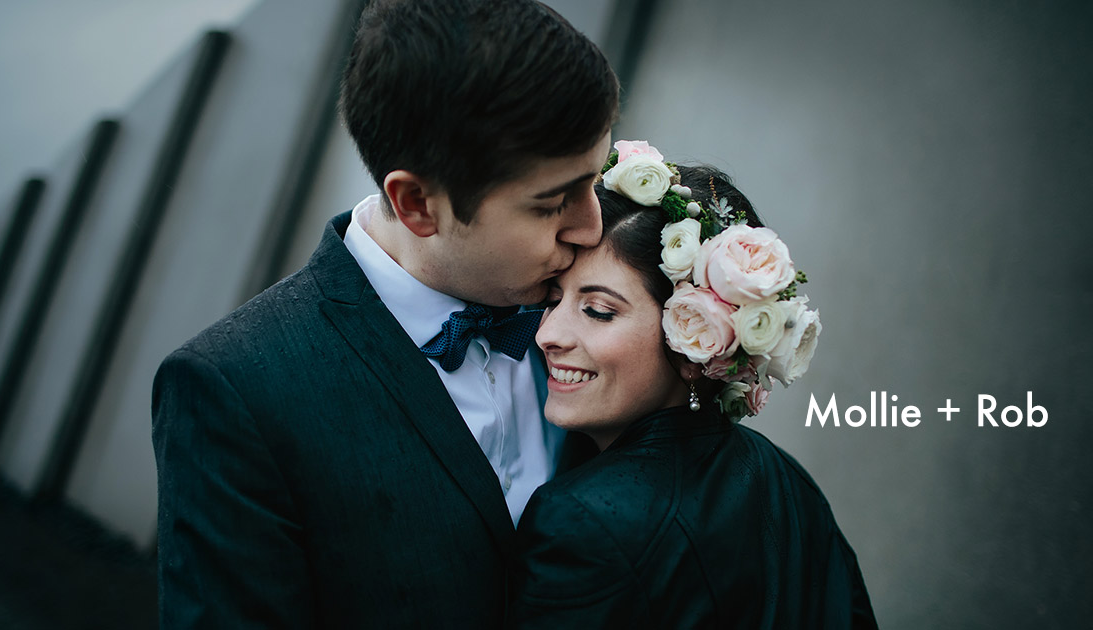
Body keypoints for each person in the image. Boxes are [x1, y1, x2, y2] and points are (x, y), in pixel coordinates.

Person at [151, 1, 617, 627]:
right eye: (552, 203)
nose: (591, 228)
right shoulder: (233, 390)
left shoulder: (593, 301)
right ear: (417, 203)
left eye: (596, 179)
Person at [506, 141, 878, 628]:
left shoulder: (582, 521)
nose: (547, 334)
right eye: (553, 300)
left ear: (694, 341)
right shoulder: (787, 480)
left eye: (598, 311)